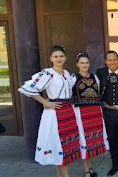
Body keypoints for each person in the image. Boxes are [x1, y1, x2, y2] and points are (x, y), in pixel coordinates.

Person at [18, 45, 80, 177]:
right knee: (59, 146)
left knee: (66, 147)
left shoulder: (67, 73)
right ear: (51, 58)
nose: (59, 59)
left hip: (67, 112)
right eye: (56, 56)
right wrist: (45, 102)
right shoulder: (47, 73)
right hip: (55, 113)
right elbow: (29, 88)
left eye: (61, 56)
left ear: (65, 58)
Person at [71, 52, 110, 177]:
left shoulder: (94, 77)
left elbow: (98, 92)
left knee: (92, 141)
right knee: (84, 140)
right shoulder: (73, 77)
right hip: (81, 113)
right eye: (82, 63)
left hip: (94, 113)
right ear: (77, 64)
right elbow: (67, 94)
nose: (84, 65)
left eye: (86, 62)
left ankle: (90, 167)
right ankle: (86, 170)